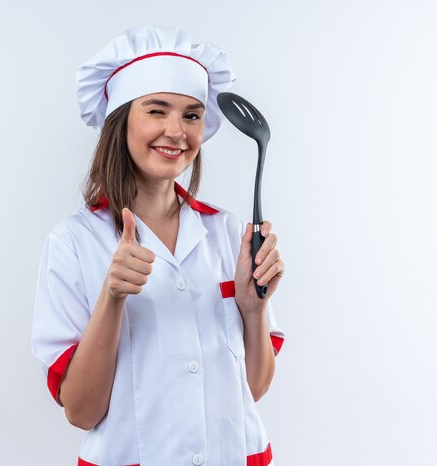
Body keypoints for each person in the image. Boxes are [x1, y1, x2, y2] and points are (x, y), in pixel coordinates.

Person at [31, 25, 285, 466]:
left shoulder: (227, 232)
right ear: (121, 120)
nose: (177, 131)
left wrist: (253, 307)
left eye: (191, 114)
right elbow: (81, 410)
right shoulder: (73, 243)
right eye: (157, 110)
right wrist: (112, 299)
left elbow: (255, 388)